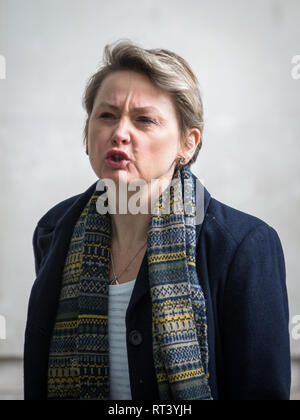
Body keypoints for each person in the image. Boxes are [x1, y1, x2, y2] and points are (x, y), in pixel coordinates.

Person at [24, 39, 291, 400]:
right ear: (87, 134)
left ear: (188, 144)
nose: (120, 132)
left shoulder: (244, 245)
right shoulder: (56, 231)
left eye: (144, 119)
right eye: (107, 115)